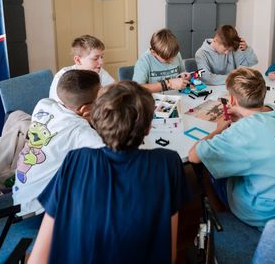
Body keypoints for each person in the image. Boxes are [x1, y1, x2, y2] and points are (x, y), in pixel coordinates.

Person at [29, 81, 190, 263]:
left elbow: (38, 259)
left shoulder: (75, 160)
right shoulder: (167, 163)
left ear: (95, 121)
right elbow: (168, 253)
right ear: (147, 128)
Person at [188, 67, 275, 229]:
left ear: (232, 100)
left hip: (264, 216)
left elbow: (194, 156)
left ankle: (223, 219)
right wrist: (242, 115)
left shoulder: (242, 131)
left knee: (207, 166)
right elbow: (259, 123)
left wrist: (218, 129)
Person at [13, 70, 104, 216]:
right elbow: (115, 157)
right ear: (85, 109)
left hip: (21, 200)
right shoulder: (79, 132)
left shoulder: (44, 104)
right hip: (40, 214)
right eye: (101, 99)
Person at [49, 35, 115, 101]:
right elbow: (58, 105)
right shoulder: (63, 78)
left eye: (102, 57)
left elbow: (115, 92)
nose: (101, 62)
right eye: (95, 58)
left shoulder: (99, 71)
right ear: (78, 60)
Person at [133, 28, 190, 92]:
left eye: (173, 57)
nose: (171, 61)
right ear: (154, 53)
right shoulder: (144, 61)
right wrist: (168, 84)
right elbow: (136, 89)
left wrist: (184, 77)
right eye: (167, 59)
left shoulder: (176, 54)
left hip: (177, 95)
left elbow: (182, 73)